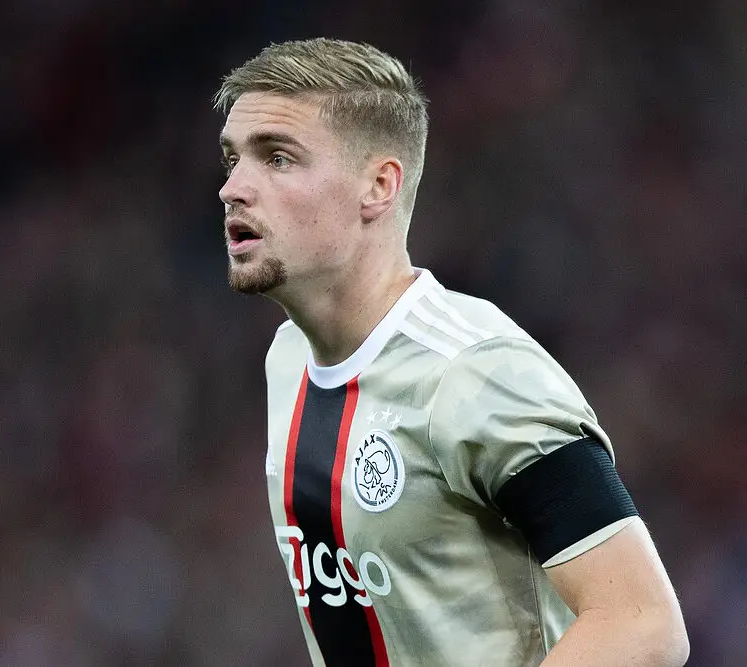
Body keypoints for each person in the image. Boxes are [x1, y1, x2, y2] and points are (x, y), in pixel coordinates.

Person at [214, 38, 688, 666]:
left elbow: (643, 623)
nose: (233, 188)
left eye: (277, 158)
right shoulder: (289, 357)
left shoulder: (476, 371)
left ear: (378, 186)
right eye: (233, 159)